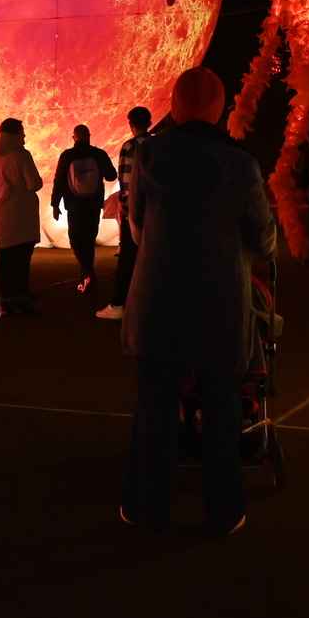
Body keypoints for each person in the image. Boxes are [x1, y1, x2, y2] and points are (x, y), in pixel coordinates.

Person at [121, 67, 273, 537]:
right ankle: (224, 509)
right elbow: (264, 240)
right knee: (222, 408)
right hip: (220, 305)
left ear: (174, 105)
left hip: (157, 300)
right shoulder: (240, 164)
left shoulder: (148, 156)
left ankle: (147, 506)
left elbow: (137, 227)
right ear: (220, 108)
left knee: (155, 408)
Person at [97, 106, 154, 321]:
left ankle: (119, 304)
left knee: (128, 260)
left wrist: (125, 205)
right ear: (149, 122)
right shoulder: (158, 145)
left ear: (131, 124)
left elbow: (126, 180)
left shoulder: (130, 147)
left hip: (135, 211)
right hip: (155, 212)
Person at [0, 117, 43, 318]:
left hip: (0, 216)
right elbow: (33, 183)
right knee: (21, 261)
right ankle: (21, 299)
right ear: (16, 134)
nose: (25, 136)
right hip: (20, 216)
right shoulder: (21, 155)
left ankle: (5, 302)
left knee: (5, 262)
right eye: (22, 132)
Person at [50, 124, 117, 295]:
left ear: (74, 138)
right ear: (89, 136)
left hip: (74, 204)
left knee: (76, 239)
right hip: (93, 204)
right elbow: (112, 175)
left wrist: (55, 205)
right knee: (89, 239)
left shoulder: (67, 155)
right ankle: (87, 274)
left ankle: (87, 273)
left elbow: (59, 181)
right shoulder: (98, 154)